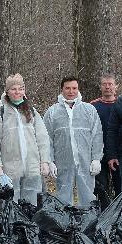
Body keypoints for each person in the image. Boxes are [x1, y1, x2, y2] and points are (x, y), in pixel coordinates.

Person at [0, 73, 53, 204]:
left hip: (32, 168)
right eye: (13, 89)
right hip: (10, 170)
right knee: (10, 206)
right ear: (7, 92)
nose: (17, 92)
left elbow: (42, 138)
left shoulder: (31, 112)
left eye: (20, 89)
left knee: (32, 205)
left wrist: (45, 161)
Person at [44, 76, 103, 205]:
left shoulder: (89, 110)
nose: (71, 91)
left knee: (88, 196)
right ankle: (64, 218)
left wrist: (96, 159)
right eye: (68, 88)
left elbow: (97, 135)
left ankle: (87, 216)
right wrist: (50, 161)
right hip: (63, 162)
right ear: (62, 89)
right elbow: (47, 139)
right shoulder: (52, 112)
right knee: (63, 197)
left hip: (86, 162)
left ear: (78, 89)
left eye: (74, 88)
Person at [90, 73, 119, 207]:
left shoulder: (121, 104)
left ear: (116, 86)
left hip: (118, 153)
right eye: (104, 84)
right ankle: (103, 213)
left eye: (110, 84)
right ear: (100, 87)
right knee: (101, 188)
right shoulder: (92, 106)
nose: (107, 87)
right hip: (98, 153)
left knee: (121, 187)